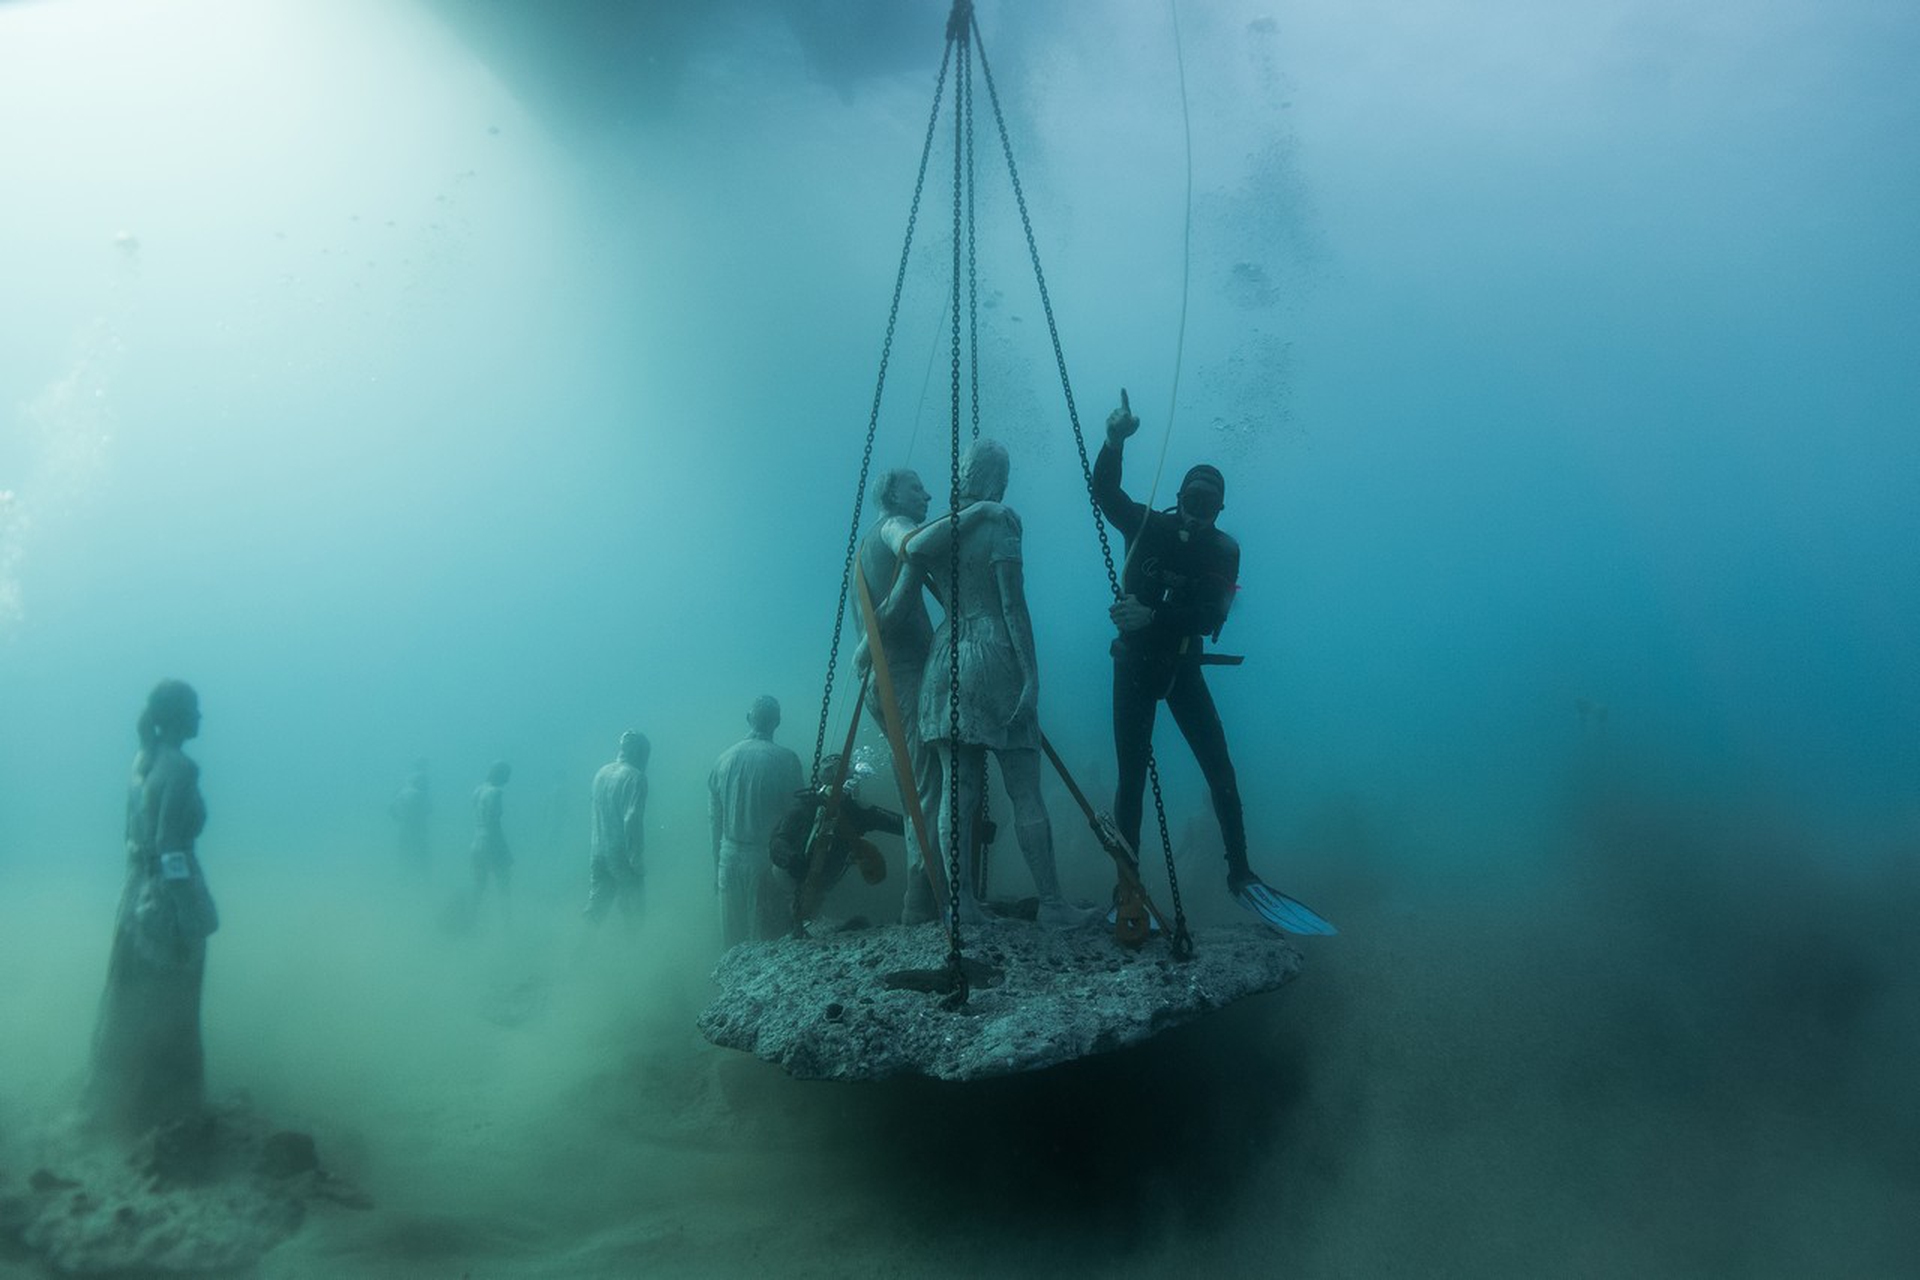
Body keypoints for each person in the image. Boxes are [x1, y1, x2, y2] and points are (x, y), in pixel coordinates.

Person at [890, 439, 1093, 927]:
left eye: (964, 469)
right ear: (999, 480)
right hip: (994, 654)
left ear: (976, 476)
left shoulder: (939, 531)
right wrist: (1032, 678)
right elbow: (1012, 605)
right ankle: (1051, 904)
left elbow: (913, 547)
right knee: (1025, 791)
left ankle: (959, 905)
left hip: (947, 659)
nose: (957, 477)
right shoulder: (998, 519)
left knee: (958, 793)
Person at [1095, 389, 1269, 904]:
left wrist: (1153, 614)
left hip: (1182, 667)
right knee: (1131, 782)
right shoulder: (1150, 525)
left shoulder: (1223, 550)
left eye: (1208, 506)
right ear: (1179, 496)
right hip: (1134, 667)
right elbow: (1106, 494)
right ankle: (1126, 889)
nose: (1197, 515)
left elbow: (1211, 616)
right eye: (1191, 502)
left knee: (1221, 771)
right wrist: (1113, 442)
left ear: (1220, 509)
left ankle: (1242, 873)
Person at [87, 679, 220, 1137]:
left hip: (135, 893)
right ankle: (170, 1113)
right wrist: (188, 913)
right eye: (196, 709)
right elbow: (170, 849)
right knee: (174, 1001)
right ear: (179, 716)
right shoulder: (181, 768)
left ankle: (120, 1106)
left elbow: (134, 837)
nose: (202, 717)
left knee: (135, 997)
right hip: (166, 897)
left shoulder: (141, 760)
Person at [850, 467, 944, 924]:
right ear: (891, 493)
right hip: (902, 674)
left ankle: (922, 899)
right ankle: (922, 902)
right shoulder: (893, 527)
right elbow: (914, 545)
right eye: (917, 487)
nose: (928, 493)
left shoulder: (864, 545)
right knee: (926, 785)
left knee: (912, 786)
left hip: (880, 679)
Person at [769, 754, 902, 931]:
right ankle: (797, 924)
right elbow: (778, 841)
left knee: (808, 908)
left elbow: (898, 824)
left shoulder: (856, 812)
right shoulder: (806, 807)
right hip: (792, 876)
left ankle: (804, 923)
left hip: (816, 876)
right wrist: (792, 860)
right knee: (796, 910)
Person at [707, 699, 802, 946]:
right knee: (767, 940)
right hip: (764, 858)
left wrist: (716, 865)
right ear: (777, 721)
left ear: (748, 718)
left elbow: (714, 821)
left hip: (727, 858)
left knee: (731, 943)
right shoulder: (786, 759)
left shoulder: (722, 759)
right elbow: (797, 817)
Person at [585, 731, 649, 924]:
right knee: (634, 909)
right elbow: (631, 819)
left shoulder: (601, 772)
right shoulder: (636, 777)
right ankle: (633, 951)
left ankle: (578, 949)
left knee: (596, 908)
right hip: (621, 855)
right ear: (639, 751)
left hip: (598, 850)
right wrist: (635, 859)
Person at [470, 761, 513, 919]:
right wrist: (503, 849)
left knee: (479, 887)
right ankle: (507, 923)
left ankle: (472, 919)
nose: (508, 780)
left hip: (476, 842)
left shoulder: (478, 790)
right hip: (492, 842)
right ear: (501, 775)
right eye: (507, 776)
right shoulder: (495, 792)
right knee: (504, 885)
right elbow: (493, 821)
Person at [388, 758, 432, 878]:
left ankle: (403, 875)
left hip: (404, 824)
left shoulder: (402, 791)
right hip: (417, 825)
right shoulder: (420, 792)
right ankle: (421, 876)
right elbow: (428, 810)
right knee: (421, 849)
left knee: (403, 849)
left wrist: (400, 818)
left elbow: (391, 809)